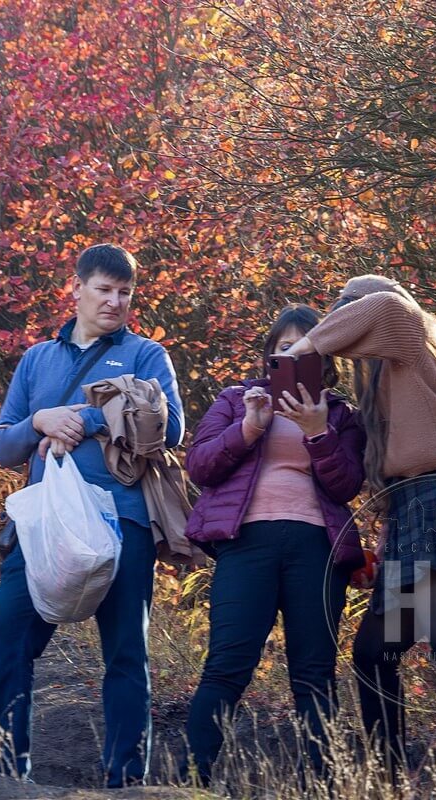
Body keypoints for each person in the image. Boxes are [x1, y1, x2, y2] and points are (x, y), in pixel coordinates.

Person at [285, 274, 436, 800]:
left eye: (346, 315)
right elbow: (395, 468)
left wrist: (302, 349)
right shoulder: (395, 378)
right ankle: (387, 783)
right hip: (415, 512)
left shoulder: (412, 330)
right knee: (372, 652)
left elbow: (385, 303)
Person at [0, 244, 184, 787]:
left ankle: (125, 780)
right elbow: (1, 447)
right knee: (5, 635)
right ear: (76, 289)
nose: (115, 302)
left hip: (124, 520)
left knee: (125, 651)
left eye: (125, 293)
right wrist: (41, 421)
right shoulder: (37, 359)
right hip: (46, 525)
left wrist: (84, 418)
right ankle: (4, 769)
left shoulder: (146, 355)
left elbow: (170, 427)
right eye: (104, 290)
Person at [180, 304, 365, 785]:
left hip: (317, 550)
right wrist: (249, 427)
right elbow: (199, 466)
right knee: (227, 665)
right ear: (269, 356)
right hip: (248, 545)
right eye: (285, 348)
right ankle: (185, 784)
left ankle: (320, 787)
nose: (294, 355)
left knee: (314, 673)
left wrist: (317, 432)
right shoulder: (237, 399)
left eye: (307, 349)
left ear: (324, 363)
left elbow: (347, 486)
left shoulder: (342, 416)